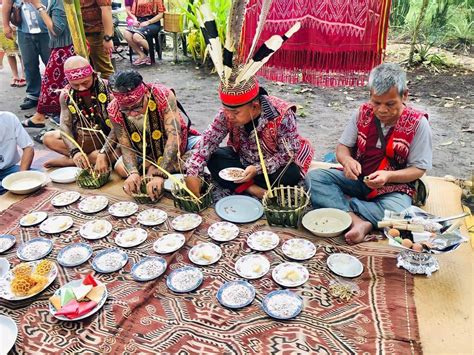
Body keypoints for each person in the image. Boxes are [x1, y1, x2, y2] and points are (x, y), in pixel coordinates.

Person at [306, 63, 432, 245]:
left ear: (405, 95)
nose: (382, 110)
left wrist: (388, 176)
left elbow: (419, 169)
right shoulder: (362, 113)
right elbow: (342, 147)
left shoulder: (418, 124)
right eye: (376, 102)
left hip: (393, 188)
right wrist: (347, 160)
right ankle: (358, 221)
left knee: (398, 213)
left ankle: (342, 208)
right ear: (370, 95)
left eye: (390, 104)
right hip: (359, 179)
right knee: (314, 179)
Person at [184, 73, 314, 199]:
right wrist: (192, 172)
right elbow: (208, 141)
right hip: (243, 161)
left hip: (272, 166)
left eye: (235, 112)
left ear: (255, 106)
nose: (229, 116)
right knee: (214, 157)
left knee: (290, 174)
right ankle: (252, 189)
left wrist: (258, 169)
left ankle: (244, 185)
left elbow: (288, 153)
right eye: (226, 110)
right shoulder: (227, 113)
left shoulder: (282, 114)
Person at [108, 69, 200, 201]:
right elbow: (126, 147)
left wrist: (160, 173)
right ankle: (151, 168)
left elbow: (174, 137)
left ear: (145, 93)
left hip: (179, 149)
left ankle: (152, 170)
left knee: (205, 151)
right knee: (121, 167)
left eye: (136, 107)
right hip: (145, 153)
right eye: (126, 109)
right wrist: (133, 173)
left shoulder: (163, 95)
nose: (132, 113)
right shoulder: (114, 108)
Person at [42, 56, 116, 174]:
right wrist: (74, 151)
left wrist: (103, 153)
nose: (81, 88)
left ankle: (70, 162)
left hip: (108, 141)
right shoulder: (66, 95)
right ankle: (85, 158)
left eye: (85, 83)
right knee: (48, 138)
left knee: (121, 153)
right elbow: (65, 125)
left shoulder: (109, 90)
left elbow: (118, 127)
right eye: (75, 85)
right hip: (82, 140)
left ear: (93, 74)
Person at [21, 0, 74, 128]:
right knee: (53, 83)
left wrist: (38, 6)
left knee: (51, 83)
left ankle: (42, 116)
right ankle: (43, 115)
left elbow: (56, 30)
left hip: (63, 49)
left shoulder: (60, 1)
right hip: (62, 47)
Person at [2, 0, 50, 110]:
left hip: (47, 30)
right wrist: (6, 26)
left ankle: (55, 94)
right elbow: (7, 3)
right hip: (24, 30)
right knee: (29, 64)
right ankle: (33, 95)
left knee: (51, 64)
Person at [0, 111, 34, 194]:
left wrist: (21, 177)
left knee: (37, 178)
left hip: (8, 169)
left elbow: (28, 148)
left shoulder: (9, 118)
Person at [80, 0, 114, 79]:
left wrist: (107, 38)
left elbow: (106, 9)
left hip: (96, 33)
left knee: (105, 70)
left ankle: (109, 90)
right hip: (80, 33)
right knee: (86, 69)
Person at [124, 0, 165, 66]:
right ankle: (142, 55)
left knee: (136, 37)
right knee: (127, 34)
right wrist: (135, 20)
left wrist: (148, 22)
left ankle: (152, 52)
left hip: (153, 23)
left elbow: (160, 15)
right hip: (140, 21)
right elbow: (133, 13)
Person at [0, 0, 25, 87]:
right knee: (9, 50)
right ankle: (15, 75)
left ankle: (24, 75)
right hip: (4, 18)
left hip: (19, 16)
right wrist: (5, 25)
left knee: (23, 50)